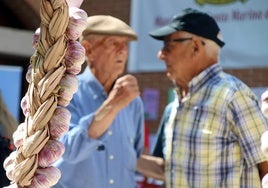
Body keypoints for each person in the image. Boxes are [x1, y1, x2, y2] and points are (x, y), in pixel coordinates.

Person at [137, 8, 268, 187]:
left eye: (168, 45)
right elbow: (170, 169)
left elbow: (266, 165)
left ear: (195, 46)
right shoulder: (174, 106)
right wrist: (120, 153)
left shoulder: (234, 97)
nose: (161, 55)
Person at [54, 15, 144, 188]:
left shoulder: (133, 102)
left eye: (125, 44)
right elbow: (69, 150)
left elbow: (135, 156)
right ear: (88, 50)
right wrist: (112, 105)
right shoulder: (65, 92)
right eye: (113, 43)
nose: (123, 50)